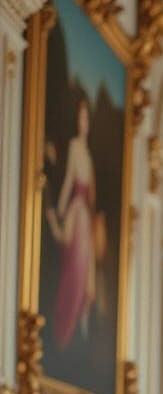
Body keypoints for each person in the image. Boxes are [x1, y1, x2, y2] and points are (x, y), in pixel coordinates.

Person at [46, 96, 97, 349]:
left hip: (85, 219)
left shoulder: (88, 153)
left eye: (86, 117)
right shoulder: (75, 147)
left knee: (84, 275)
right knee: (72, 271)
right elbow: (68, 180)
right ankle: (64, 331)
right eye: (80, 116)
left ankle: (77, 331)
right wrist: (63, 208)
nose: (83, 121)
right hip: (77, 213)